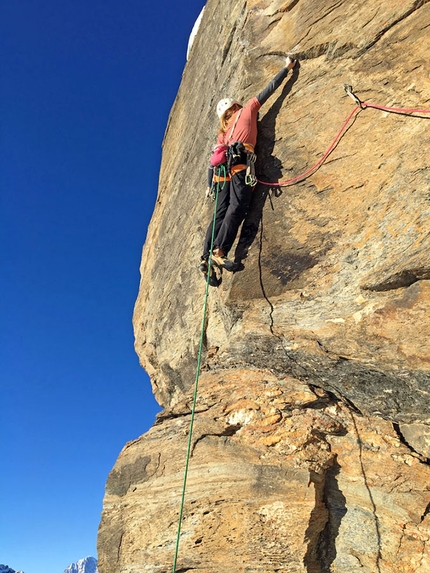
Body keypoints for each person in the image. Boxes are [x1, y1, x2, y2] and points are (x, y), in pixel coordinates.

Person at [200, 56, 297, 285]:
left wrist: (209, 184)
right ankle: (219, 253)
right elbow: (269, 90)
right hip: (242, 163)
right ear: (235, 106)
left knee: (220, 213)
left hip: (224, 172)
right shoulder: (248, 110)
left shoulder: (222, 134)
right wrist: (287, 68)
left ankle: (207, 255)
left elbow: (214, 159)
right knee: (238, 206)